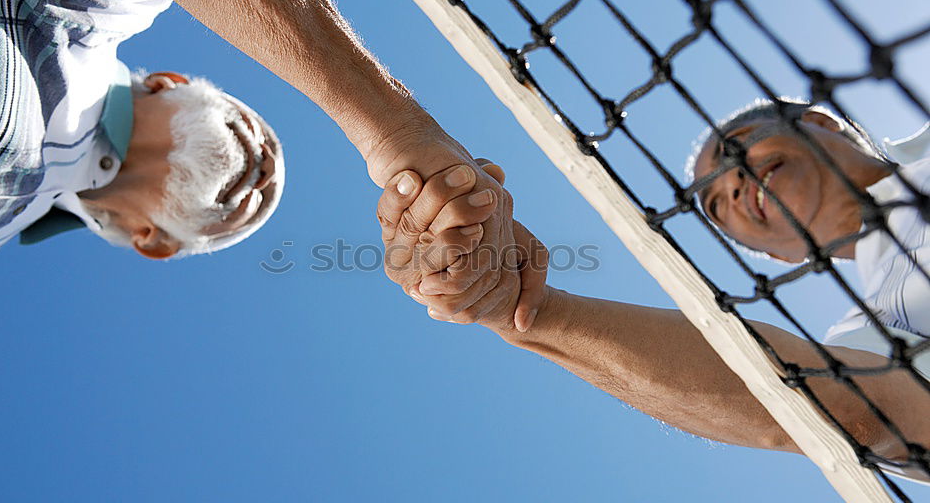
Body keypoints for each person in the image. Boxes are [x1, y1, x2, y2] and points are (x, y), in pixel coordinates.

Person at [0, 0, 546, 323]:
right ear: (169, 82)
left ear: (154, 241)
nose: (265, 176)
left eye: (249, 215)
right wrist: (393, 132)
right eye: (260, 134)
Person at [376, 99, 930, 478]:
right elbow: (854, 407)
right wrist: (528, 311)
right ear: (780, 255)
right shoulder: (880, 333)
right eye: (715, 203)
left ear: (822, 122)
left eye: (738, 147)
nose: (730, 183)